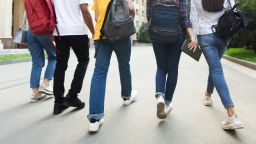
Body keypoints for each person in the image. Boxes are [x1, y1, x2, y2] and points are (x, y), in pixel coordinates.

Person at [190, 0, 243, 130]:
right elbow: (232, 10)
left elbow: (194, 18)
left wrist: (195, 38)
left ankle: (231, 115)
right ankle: (208, 95)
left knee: (216, 69)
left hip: (205, 35)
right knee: (215, 67)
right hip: (223, 35)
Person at [87, 0, 137, 132]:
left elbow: (97, 17)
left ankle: (95, 118)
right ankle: (127, 97)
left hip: (102, 35)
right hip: (121, 34)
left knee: (99, 73)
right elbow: (132, 9)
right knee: (124, 66)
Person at [147, 0, 197, 119]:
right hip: (177, 36)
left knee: (160, 67)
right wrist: (192, 36)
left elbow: (149, 16)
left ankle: (160, 96)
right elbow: (185, 19)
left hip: (157, 34)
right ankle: (167, 103)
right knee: (173, 69)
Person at [52, 0, 95, 115]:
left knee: (60, 65)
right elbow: (85, 10)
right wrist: (94, 32)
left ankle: (58, 102)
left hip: (59, 32)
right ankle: (72, 95)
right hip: (77, 31)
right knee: (83, 60)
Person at [27, 29, 56, 101]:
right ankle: (45, 85)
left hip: (31, 32)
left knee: (37, 63)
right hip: (44, 31)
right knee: (54, 57)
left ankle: (36, 93)